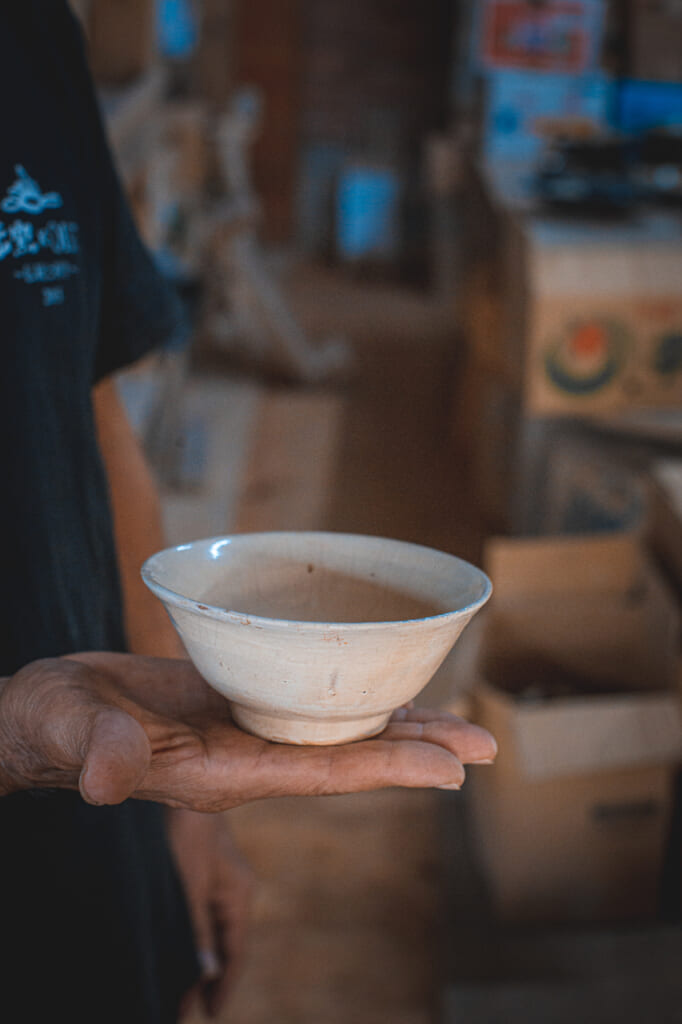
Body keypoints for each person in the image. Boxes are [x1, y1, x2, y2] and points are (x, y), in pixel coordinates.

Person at [0, 4, 497, 1022]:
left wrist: (181, 823)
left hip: (108, 762)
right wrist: (10, 737)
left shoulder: (33, 36)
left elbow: (91, 408)